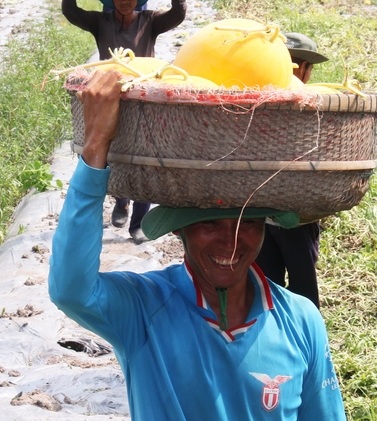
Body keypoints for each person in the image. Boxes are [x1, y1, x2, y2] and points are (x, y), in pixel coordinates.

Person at [48, 70, 347, 421]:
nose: (231, 241)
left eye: (247, 223)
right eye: (208, 223)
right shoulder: (144, 310)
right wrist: (96, 143)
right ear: (180, 231)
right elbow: (70, 290)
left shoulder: (299, 320)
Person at [61, 0, 186, 244]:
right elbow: (69, 10)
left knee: (145, 156)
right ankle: (121, 200)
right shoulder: (100, 23)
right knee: (116, 154)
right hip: (112, 97)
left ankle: (140, 221)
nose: (126, 0)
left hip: (144, 96)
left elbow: (179, 14)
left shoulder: (151, 21)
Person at [256, 33, 329, 308]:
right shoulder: (311, 104)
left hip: (274, 217)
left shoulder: (257, 98)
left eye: (299, 65)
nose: (297, 71)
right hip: (281, 218)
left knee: (281, 289)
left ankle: (293, 339)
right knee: (287, 290)